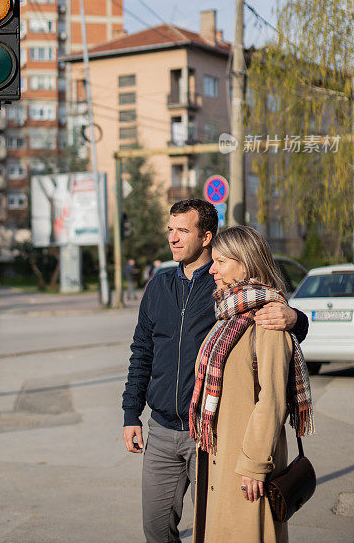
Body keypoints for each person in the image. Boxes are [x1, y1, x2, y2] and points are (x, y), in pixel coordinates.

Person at [122, 199, 308, 543]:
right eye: (170, 230)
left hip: (209, 435)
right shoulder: (159, 287)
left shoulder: (228, 292)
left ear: (207, 237)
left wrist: (295, 318)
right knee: (156, 529)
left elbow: (271, 327)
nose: (173, 239)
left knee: (214, 530)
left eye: (183, 230)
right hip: (162, 429)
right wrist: (131, 413)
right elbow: (141, 353)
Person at [189, 225, 314, 543]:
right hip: (221, 454)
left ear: (245, 263)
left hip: (246, 466)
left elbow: (272, 401)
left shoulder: (268, 319)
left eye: (221, 261)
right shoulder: (228, 316)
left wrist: (253, 465)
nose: (212, 269)